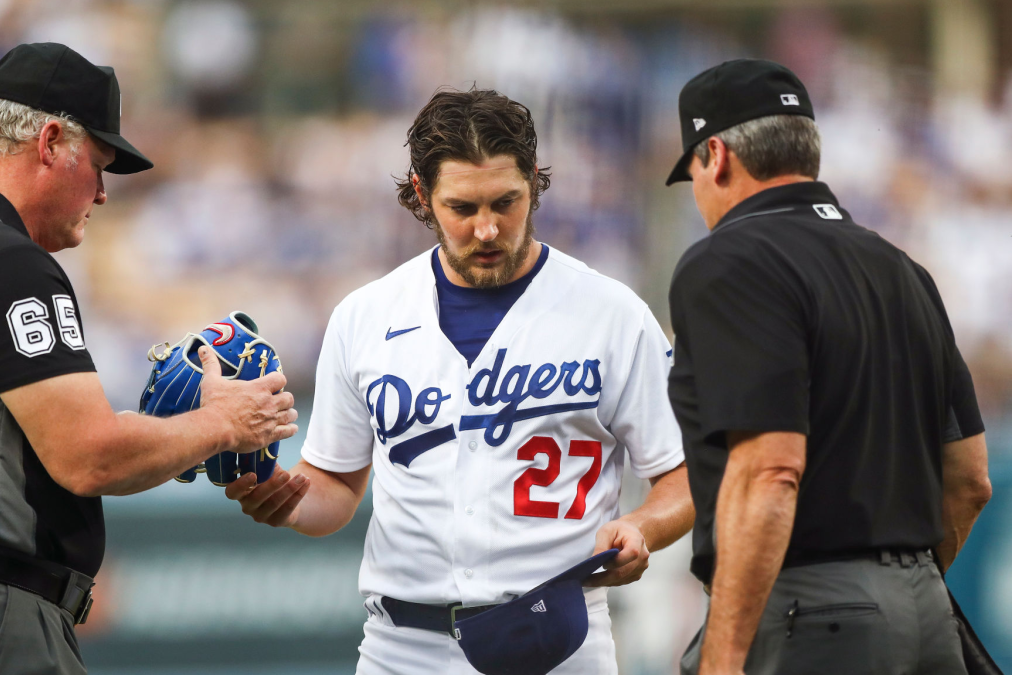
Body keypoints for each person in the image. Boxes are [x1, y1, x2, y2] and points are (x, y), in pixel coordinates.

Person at [0, 43, 296, 675]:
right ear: (50, 141)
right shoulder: (6, 262)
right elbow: (89, 455)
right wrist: (223, 422)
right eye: (99, 164)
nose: (103, 194)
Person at [223, 89, 695, 674]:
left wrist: (643, 524)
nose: (489, 229)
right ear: (422, 195)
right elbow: (337, 489)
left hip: (557, 641)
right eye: (463, 208)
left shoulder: (611, 313)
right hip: (402, 648)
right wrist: (287, 500)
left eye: (506, 202)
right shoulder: (366, 315)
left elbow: (684, 474)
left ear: (535, 184)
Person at [664, 59, 992, 675]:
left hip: (808, 613)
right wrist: (895, 594)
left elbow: (769, 468)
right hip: (927, 614)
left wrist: (724, 659)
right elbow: (970, 480)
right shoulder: (902, 269)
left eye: (693, 175)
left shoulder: (729, 261)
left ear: (717, 155)